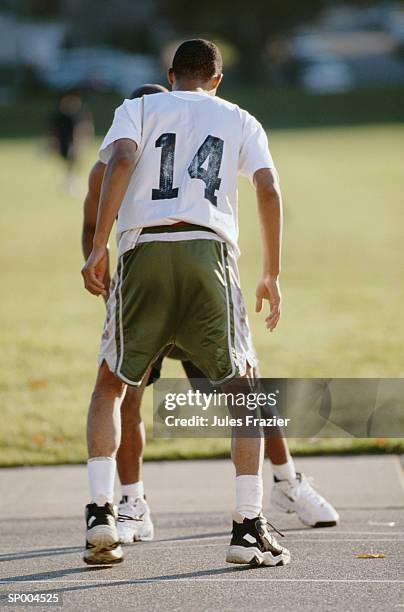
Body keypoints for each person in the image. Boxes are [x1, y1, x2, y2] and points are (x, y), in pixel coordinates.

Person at [82, 86, 339, 547]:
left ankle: (286, 481)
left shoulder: (140, 137)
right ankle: (134, 503)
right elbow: (91, 221)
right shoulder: (111, 165)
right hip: (161, 276)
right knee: (133, 395)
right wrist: (104, 269)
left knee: (248, 387)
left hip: (174, 271)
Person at [48, 90, 92, 194]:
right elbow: (54, 131)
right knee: (69, 164)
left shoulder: (77, 114)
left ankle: (71, 182)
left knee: (74, 164)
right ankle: (69, 182)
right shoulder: (60, 116)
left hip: (73, 143)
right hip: (65, 143)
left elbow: (84, 128)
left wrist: (82, 141)